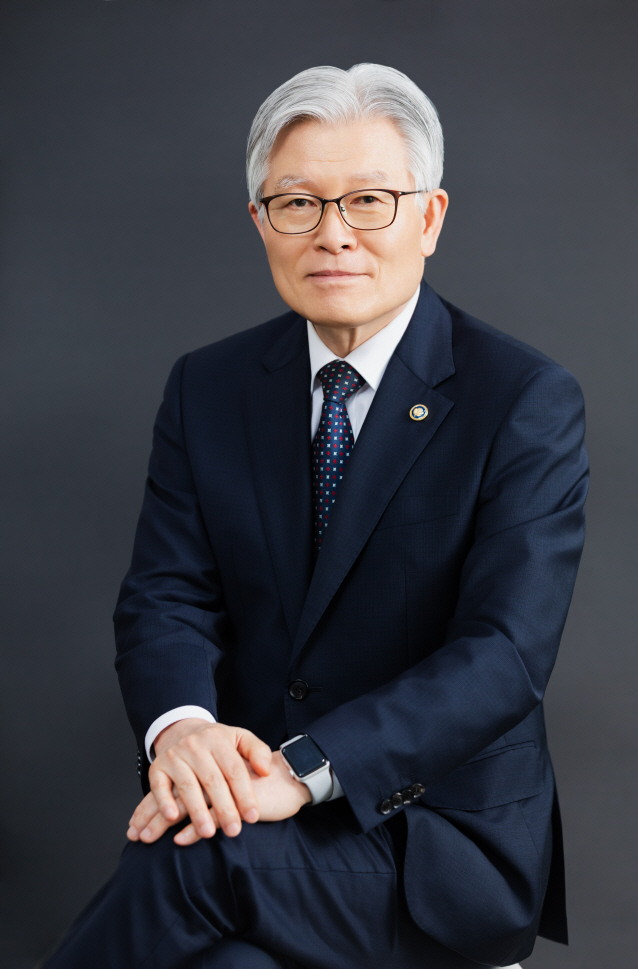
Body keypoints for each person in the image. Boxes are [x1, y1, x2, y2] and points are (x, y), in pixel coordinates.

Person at [43, 63, 588, 969]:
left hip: (433, 842)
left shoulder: (522, 397)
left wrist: (301, 770)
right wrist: (183, 731)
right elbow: (167, 596)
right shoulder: (209, 386)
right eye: (297, 203)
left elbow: (504, 655)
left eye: (369, 200)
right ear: (261, 222)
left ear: (429, 218)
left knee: (186, 862)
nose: (333, 233)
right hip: (255, 820)